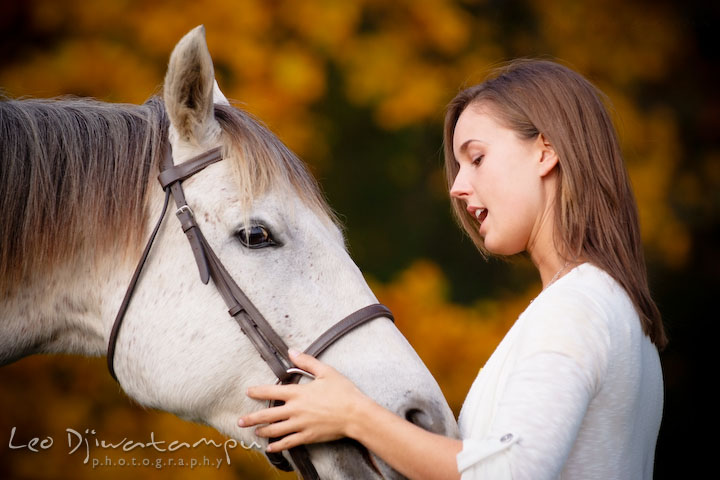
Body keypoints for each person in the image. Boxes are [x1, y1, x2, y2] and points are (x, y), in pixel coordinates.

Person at [237, 59, 666, 480]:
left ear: (546, 151)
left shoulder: (576, 307)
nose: (457, 187)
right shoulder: (615, 312)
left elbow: (510, 473)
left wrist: (353, 415)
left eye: (476, 158)